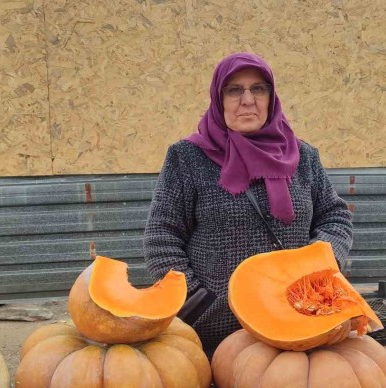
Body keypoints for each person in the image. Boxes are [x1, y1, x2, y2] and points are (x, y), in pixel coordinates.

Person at [143, 53, 353, 356]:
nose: (247, 100)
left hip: (298, 321)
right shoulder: (187, 158)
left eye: (258, 89)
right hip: (219, 332)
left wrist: (319, 270)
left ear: (271, 97)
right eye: (234, 90)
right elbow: (162, 237)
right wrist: (198, 303)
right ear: (218, 98)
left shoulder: (303, 156)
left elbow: (334, 217)